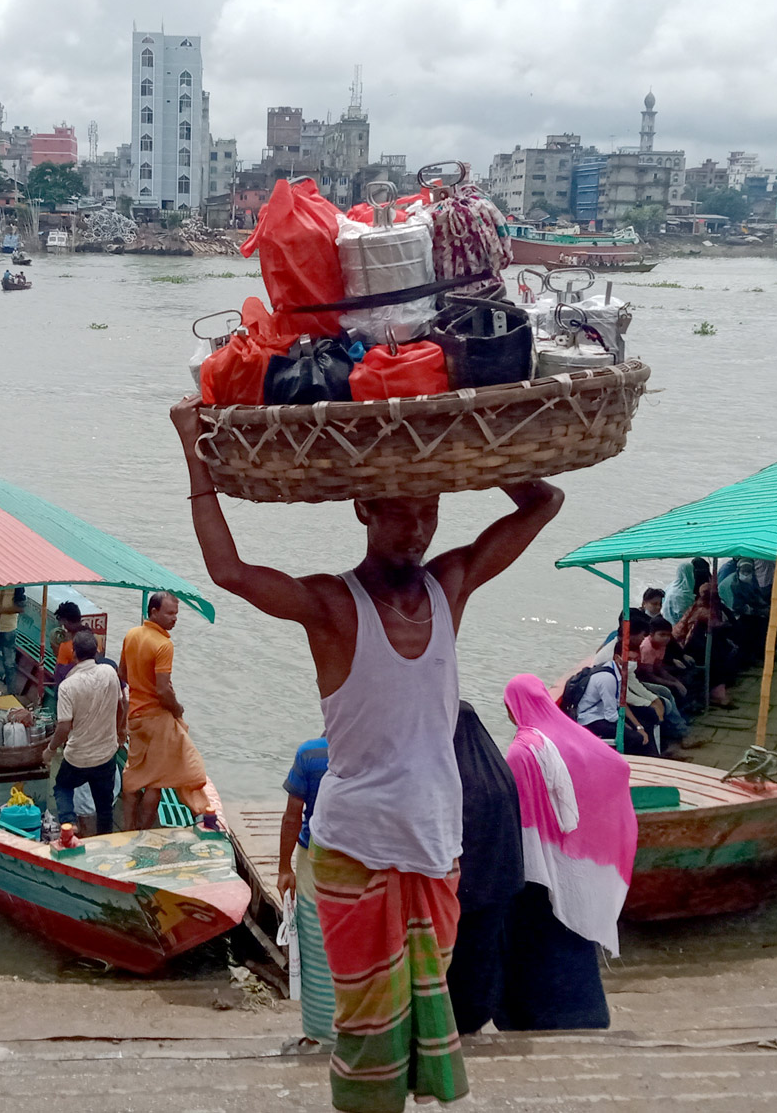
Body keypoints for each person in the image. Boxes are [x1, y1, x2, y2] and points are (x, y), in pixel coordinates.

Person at [170, 398, 563, 1113]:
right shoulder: (332, 605)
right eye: (398, 511)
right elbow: (228, 571)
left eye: (429, 510)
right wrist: (193, 447)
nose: (415, 529)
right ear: (362, 508)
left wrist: (480, 436)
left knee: (419, 1028)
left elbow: (545, 501)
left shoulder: (452, 583)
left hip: (437, 846)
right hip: (355, 851)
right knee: (367, 1033)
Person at [498, 673, 637, 1031]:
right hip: (572, 856)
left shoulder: (522, 749)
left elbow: (517, 815)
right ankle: (587, 1012)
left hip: (538, 864)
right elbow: (617, 767)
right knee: (573, 933)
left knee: (537, 939)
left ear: (515, 707)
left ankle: (536, 1018)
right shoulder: (568, 735)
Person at [443, 702, 525, 1037]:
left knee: (456, 957)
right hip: (500, 882)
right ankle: (477, 1018)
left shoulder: (455, 778)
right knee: (484, 955)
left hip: (463, 888)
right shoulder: (499, 771)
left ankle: (453, 1022)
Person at [120, 592, 211, 829]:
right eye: (170, 613)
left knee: (133, 774)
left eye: (176, 614)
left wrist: (141, 687)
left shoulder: (132, 634)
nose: (175, 619)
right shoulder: (163, 645)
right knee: (154, 781)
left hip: (135, 717)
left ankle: (128, 829)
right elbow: (163, 691)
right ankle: (144, 832)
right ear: (153, 612)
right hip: (156, 718)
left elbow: (123, 674)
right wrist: (178, 709)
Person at [276, 733, 335, 1045]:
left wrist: (284, 867)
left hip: (314, 856)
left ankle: (319, 1030)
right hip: (362, 858)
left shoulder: (310, 754)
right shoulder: (377, 748)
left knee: (314, 939)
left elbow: (292, 816)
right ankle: (355, 1027)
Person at [48, 631, 127, 836]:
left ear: (74, 654)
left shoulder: (67, 686)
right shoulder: (110, 673)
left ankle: (68, 822)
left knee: (62, 788)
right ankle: (105, 841)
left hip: (78, 758)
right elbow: (122, 705)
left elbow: (64, 727)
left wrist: (50, 750)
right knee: (105, 808)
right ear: (97, 651)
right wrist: (120, 732)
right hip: (105, 756)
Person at [662, 557, 712, 625]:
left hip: (666, 623)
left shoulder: (671, 586)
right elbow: (686, 617)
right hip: (677, 627)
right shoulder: (683, 594)